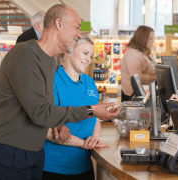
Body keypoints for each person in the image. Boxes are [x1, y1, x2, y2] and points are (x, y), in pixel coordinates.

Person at [0, 4, 119, 180]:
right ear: (59, 24)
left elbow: (40, 105)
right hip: (8, 153)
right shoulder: (25, 54)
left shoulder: (48, 61)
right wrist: (91, 110)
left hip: (32, 153)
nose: (79, 34)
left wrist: (57, 123)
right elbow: (40, 112)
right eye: (77, 28)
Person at [41, 34, 107, 180]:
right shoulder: (52, 80)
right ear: (69, 52)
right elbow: (50, 131)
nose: (88, 59)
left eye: (91, 55)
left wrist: (95, 138)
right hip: (56, 168)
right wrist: (84, 144)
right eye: (85, 53)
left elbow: (95, 115)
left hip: (84, 166)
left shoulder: (89, 82)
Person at [121, 25, 157, 101]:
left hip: (144, 93)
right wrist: (156, 77)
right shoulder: (133, 53)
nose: (153, 41)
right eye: (150, 38)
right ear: (143, 39)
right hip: (132, 96)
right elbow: (137, 78)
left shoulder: (146, 52)